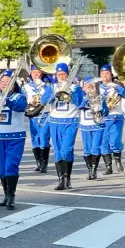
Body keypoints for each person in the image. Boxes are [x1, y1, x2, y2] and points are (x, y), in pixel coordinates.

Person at [0, 70, 28, 210]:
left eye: (8, 81)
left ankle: (11, 195)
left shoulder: (19, 97)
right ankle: (6, 194)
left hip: (15, 137)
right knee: (1, 167)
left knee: (11, 165)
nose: (4, 84)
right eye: (3, 81)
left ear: (13, 84)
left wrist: (5, 100)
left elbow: (21, 107)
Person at [42, 63, 85, 191]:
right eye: (59, 74)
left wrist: (71, 91)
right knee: (58, 152)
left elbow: (79, 102)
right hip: (55, 122)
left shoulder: (75, 87)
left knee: (66, 150)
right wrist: (54, 95)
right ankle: (61, 179)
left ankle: (67, 178)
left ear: (68, 75)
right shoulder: (52, 87)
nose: (61, 76)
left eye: (63, 74)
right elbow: (44, 101)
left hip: (70, 121)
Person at [98, 64, 125, 175]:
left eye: (107, 73)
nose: (104, 76)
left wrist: (116, 86)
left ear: (111, 75)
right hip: (102, 118)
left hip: (116, 116)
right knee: (104, 143)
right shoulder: (98, 87)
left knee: (115, 141)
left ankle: (117, 160)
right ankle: (108, 167)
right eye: (102, 74)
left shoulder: (117, 85)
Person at [22, 67, 53, 173]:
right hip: (33, 116)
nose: (36, 74)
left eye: (38, 72)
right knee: (35, 139)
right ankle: (38, 162)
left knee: (44, 138)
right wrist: (26, 110)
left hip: (45, 115)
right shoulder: (25, 87)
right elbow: (23, 101)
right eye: (34, 72)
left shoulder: (48, 86)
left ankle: (44, 163)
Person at [79, 78, 106, 180]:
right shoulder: (81, 97)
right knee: (87, 149)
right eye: (87, 86)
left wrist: (103, 110)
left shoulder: (100, 97)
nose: (89, 87)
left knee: (95, 148)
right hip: (85, 125)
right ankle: (90, 170)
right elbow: (79, 106)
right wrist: (86, 100)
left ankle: (94, 171)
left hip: (98, 125)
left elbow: (106, 110)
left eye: (91, 85)